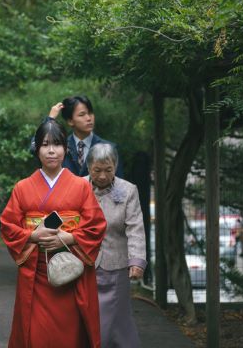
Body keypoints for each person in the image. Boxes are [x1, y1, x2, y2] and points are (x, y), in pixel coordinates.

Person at [0, 120, 106, 348]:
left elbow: (96, 224)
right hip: (36, 273)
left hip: (71, 270)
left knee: (71, 335)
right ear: (36, 149)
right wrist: (33, 236)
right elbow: (8, 225)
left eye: (57, 144)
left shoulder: (80, 186)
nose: (51, 150)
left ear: (65, 149)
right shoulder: (22, 187)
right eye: (45, 144)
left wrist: (69, 237)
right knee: (36, 334)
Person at [87, 143, 147, 348]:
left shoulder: (128, 190)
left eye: (108, 170)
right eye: (97, 170)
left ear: (115, 166)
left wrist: (137, 261)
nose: (102, 176)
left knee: (117, 321)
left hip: (116, 265)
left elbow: (135, 228)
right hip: (84, 264)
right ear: (88, 168)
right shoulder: (78, 187)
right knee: (87, 318)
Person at [47, 95, 124, 178]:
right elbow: (36, 147)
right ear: (70, 121)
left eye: (90, 113)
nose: (88, 118)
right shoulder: (61, 147)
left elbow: (118, 185)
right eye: (82, 114)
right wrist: (50, 120)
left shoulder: (110, 148)